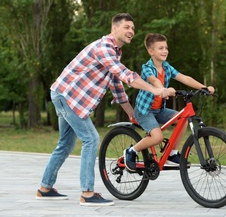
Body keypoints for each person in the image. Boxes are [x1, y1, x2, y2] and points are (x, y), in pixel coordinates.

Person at [36, 14, 170, 206]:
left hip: (66, 95)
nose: (131, 31)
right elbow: (125, 74)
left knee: (66, 144)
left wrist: (130, 112)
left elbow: (116, 83)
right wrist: (154, 89)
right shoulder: (104, 47)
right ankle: (87, 193)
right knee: (91, 139)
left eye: (132, 28)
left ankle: (45, 188)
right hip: (68, 96)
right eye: (126, 27)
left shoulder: (115, 52)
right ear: (114, 29)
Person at [124, 33, 214, 172]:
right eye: (160, 48)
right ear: (151, 51)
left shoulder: (166, 67)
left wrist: (204, 87)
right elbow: (154, 80)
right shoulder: (147, 68)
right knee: (158, 137)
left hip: (159, 110)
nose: (165, 51)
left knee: (182, 118)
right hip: (144, 111)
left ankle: (172, 154)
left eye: (166, 48)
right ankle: (131, 151)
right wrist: (163, 90)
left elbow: (184, 78)